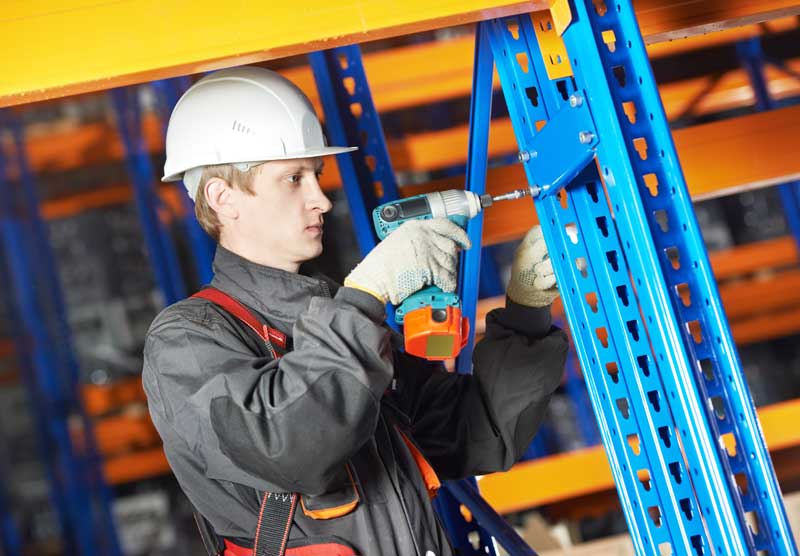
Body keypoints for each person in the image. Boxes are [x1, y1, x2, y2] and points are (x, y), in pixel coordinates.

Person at [142, 66, 567, 556]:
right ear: (223, 197)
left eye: (317, 176)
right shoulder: (186, 341)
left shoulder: (338, 318)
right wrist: (364, 296)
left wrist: (526, 309)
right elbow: (289, 447)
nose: (320, 199)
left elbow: (477, 433)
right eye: (293, 179)